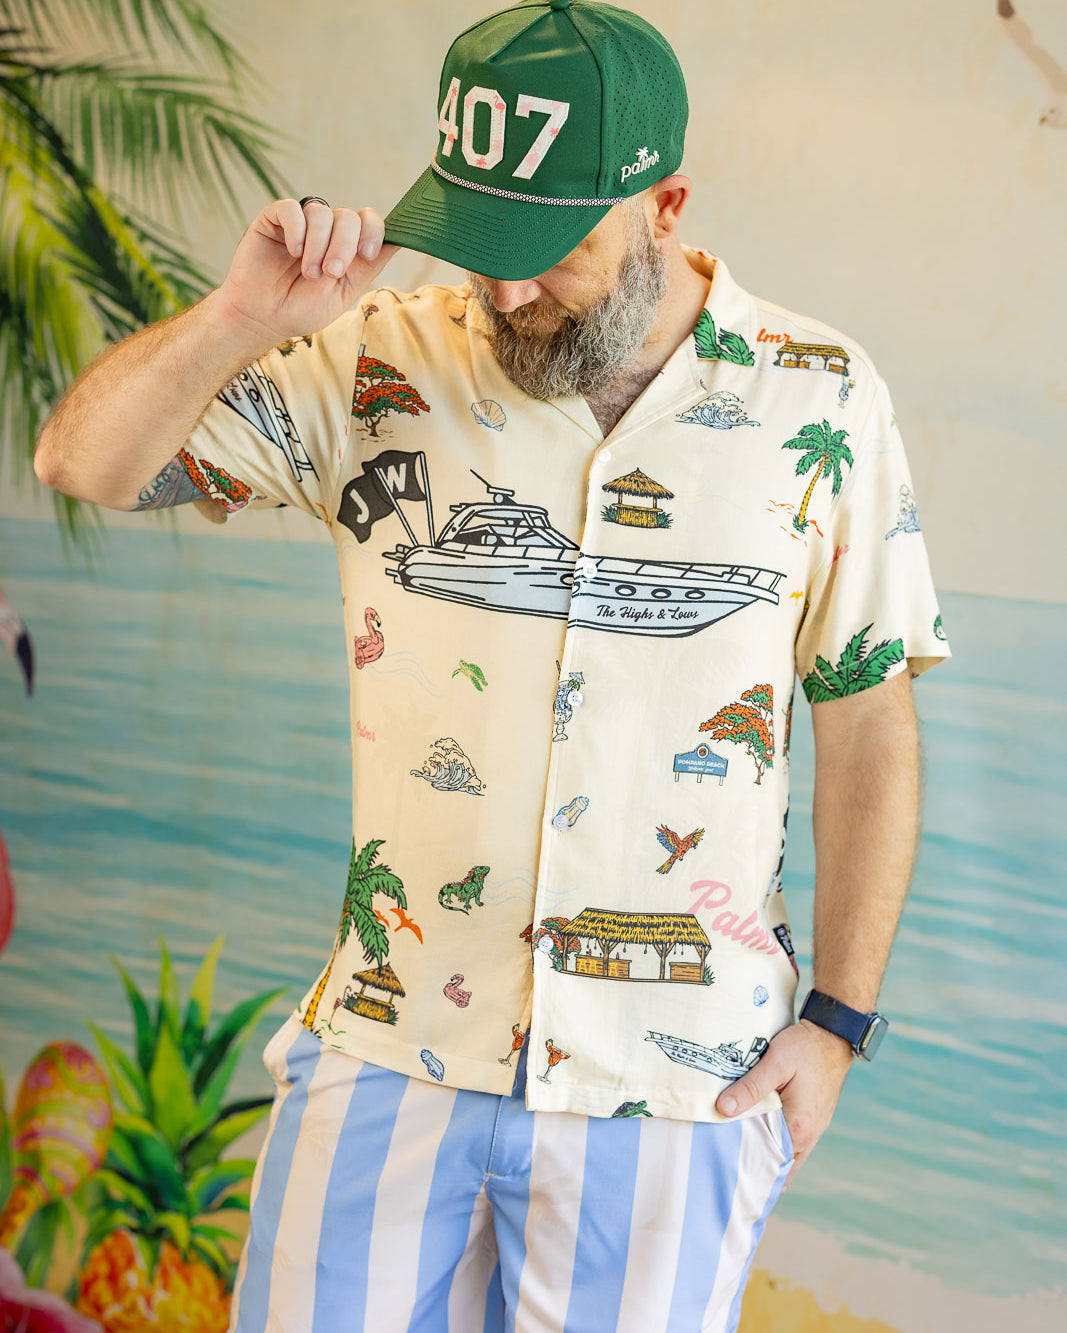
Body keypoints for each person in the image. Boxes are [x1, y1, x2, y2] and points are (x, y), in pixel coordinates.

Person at [34, 2, 951, 1329]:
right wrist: (243, 315)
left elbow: (867, 721)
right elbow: (80, 461)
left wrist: (842, 1024)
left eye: (547, 250)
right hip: (388, 1047)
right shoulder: (377, 362)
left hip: (675, 1081)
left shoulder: (823, 399)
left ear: (667, 201)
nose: (505, 289)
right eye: (481, 243)